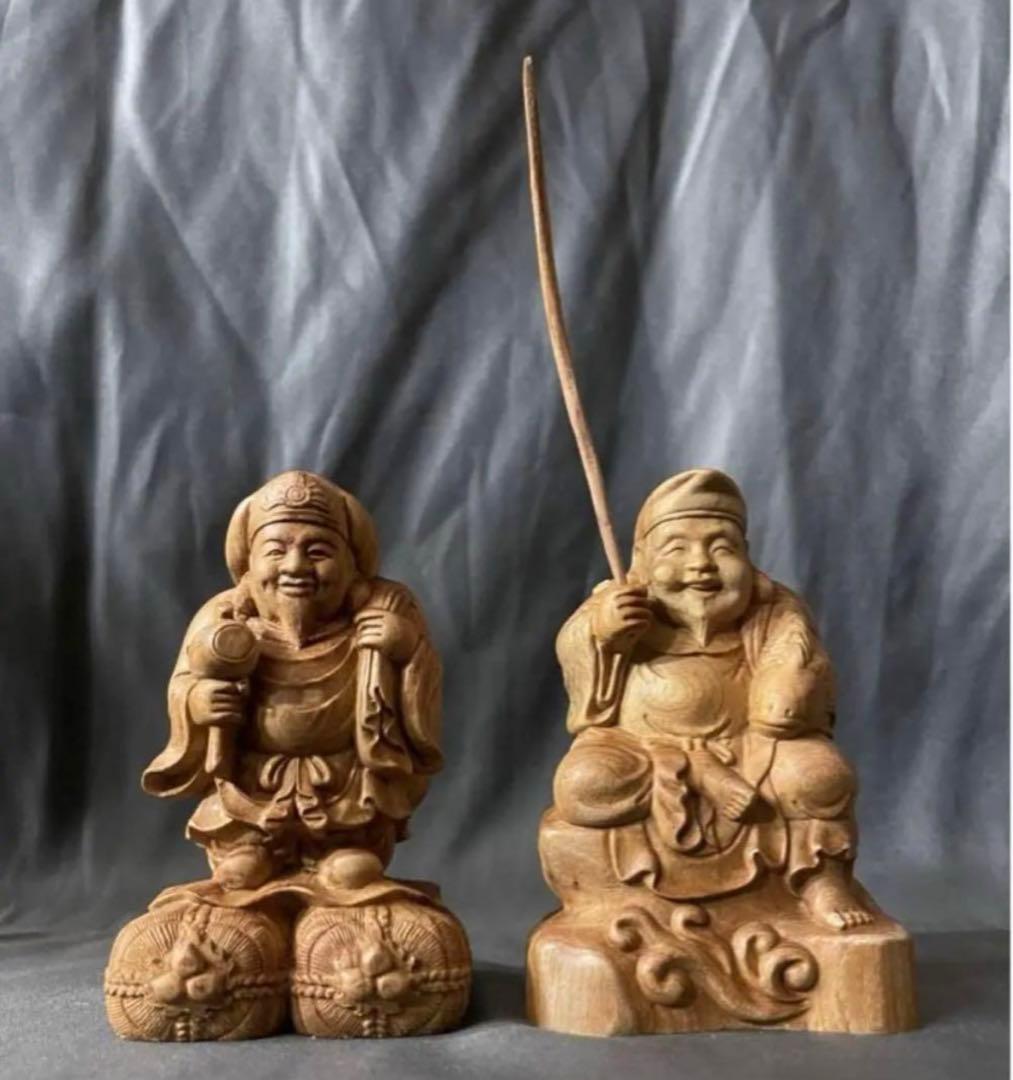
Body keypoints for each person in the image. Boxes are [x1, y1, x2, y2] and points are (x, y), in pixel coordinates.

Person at [548, 468, 872, 930]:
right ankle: (619, 894)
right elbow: (578, 659)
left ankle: (820, 881)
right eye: (676, 549)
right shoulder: (620, 605)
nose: (701, 564)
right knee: (584, 784)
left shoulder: (772, 611)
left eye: (722, 549)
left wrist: (790, 684)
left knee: (823, 777)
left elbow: (798, 681)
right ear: (641, 561)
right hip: (640, 749)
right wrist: (604, 633)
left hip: (751, 748)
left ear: (748, 559)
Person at [142, 470, 442, 893]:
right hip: (252, 781)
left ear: (351, 565)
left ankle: (342, 853)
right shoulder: (225, 617)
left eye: (318, 551)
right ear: (249, 563)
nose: (296, 566)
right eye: (276, 551)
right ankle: (251, 848)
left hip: (345, 780)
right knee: (239, 871)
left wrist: (406, 648)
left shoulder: (381, 614)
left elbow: (423, 686)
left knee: (351, 868)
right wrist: (198, 702)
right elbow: (185, 682)